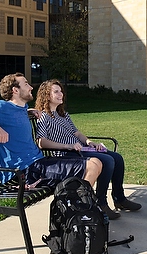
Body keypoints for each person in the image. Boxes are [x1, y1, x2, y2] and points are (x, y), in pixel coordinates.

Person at [0, 73, 102, 188]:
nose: (31, 87)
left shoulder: (22, 108)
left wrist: (29, 111)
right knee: (92, 166)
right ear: (15, 90)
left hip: (38, 163)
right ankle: (82, 210)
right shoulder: (0, 106)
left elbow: (15, 118)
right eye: (26, 84)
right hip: (23, 171)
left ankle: (78, 208)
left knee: (96, 162)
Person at [34, 79, 141, 220]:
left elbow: (76, 133)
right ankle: (101, 203)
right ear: (46, 96)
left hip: (81, 149)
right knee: (108, 161)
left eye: (61, 91)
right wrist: (68, 146)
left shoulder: (63, 114)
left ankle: (119, 198)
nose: (61, 94)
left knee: (117, 158)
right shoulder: (43, 117)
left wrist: (90, 142)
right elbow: (42, 142)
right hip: (66, 153)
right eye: (56, 92)